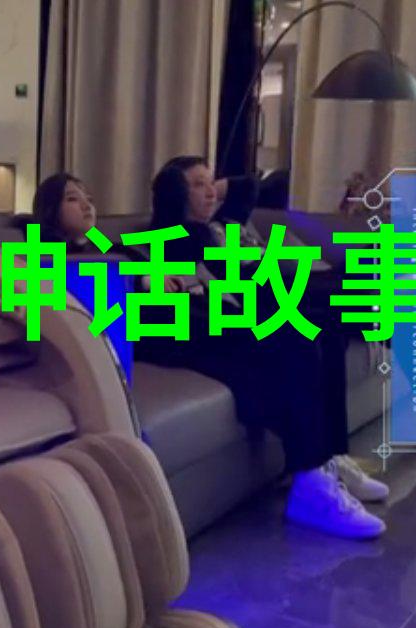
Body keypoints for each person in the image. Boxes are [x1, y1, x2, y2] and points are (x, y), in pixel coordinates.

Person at [32, 167, 389, 540]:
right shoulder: (44, 250)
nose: (87, 205)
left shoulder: (108, 243)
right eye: (73, 199)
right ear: (50, 209)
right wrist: (142, 278)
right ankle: (312, 483)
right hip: (151, 328)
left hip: (189, 311)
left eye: (89, 198)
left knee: (305, 335)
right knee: (285, 339)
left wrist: (164, 275)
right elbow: (65, 286)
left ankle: (321, 464)